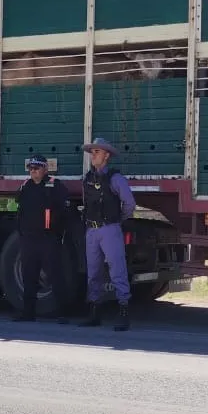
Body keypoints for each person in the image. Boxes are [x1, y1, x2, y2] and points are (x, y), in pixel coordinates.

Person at [78, 137, 136, 331]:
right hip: (92, 230)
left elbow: (129, 204)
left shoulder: (115, 178)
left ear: (106, 155)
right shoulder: (88, 177)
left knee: (117, 270)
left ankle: (124, 311)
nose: (93, 155)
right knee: (93, 272)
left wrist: (117, 220)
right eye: (92, 152)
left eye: (97, 152)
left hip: (109, 228)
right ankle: (94, 311)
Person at [13, 154, 73, 323]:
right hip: (28, 239)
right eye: (30, 168)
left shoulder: (55, 185)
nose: (33, 171)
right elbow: (19, 210)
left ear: (45, 169)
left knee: (55, 275)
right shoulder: (25, 186)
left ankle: (62, 313)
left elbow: (65, 210)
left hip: (48, 238)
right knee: (29, 276)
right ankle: (28, 312)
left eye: (37, 168)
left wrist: (57, 232)